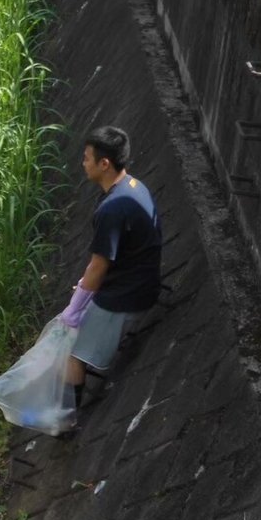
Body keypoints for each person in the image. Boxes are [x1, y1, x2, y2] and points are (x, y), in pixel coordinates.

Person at [60, 126, 162, 406]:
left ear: (104, 164)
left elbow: (98, 265)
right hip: (144, 281)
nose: (83, 163)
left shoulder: (112, 209)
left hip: (127, 297)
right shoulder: (134, 186)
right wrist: (85, 287)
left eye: (86, 158)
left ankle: (64, 421)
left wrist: (76, 307)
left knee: (70, 348)